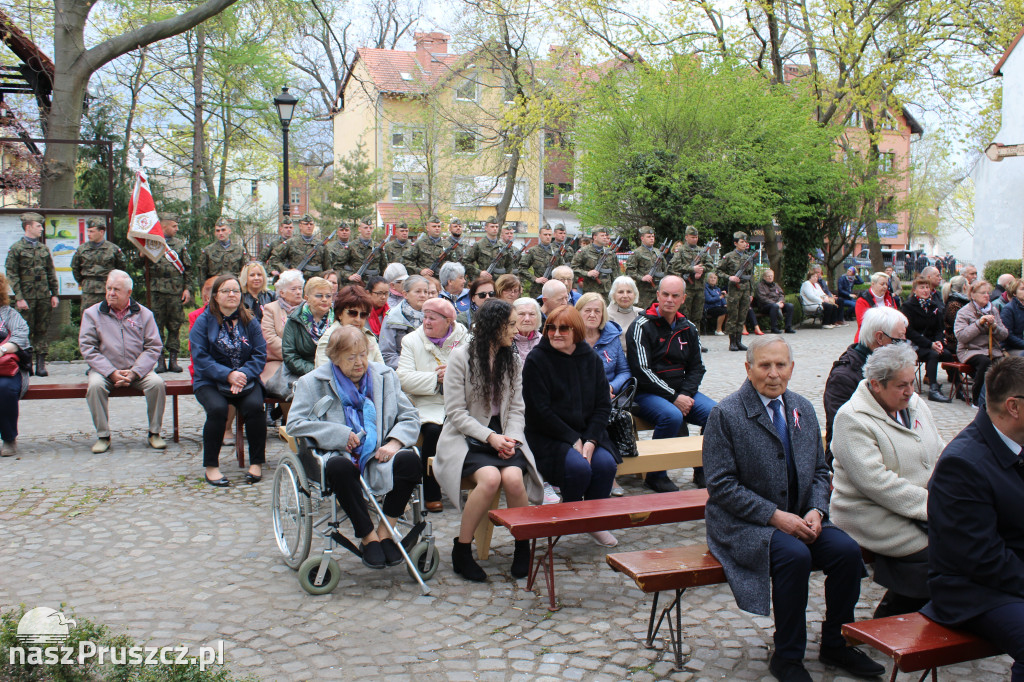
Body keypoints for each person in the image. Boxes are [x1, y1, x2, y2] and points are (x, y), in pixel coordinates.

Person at [703, 336, 885, 682]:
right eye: (765, 365)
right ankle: (787, 656)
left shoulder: (801, 406)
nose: (774, 374)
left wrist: (817, 509)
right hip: (745, 524)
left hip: (801, 516)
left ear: (791, 368)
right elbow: (721, 486)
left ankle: (836, 642)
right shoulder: (725, 414)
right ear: (748, 368)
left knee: (847, 552)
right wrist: (774, 516)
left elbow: (820, 469)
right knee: (794, 556)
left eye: (781, 365)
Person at [922, 356, 1024, 681]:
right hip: (974, 591)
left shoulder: (1016, 441)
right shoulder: (963, 465)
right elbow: (981, 559)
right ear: (1014, 407)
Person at [287, 326, 422, 568]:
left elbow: (410, 416)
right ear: (334, 358)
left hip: (379, 452)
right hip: (339, 455)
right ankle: (368, 537)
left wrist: (394, 442)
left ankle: (385, 531)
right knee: (339, 467)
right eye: (351, 357)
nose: (360, 363)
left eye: (363, 354)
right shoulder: (312, 382)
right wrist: (339, 434)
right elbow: (295, 424)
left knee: (410, 461)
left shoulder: (385, 376)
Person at [434, 299, 544, 581]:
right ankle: (462, 549)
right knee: (491, 479)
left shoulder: (513, 358)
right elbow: (456, 414)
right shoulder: (461, 357)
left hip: (505, 432)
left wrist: (512, 439)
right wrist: (491, 438)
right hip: (466, 435)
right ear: (494, 327)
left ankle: (523, 546)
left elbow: (518, 409)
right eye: (510, 324)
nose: (515, 329)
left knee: (514, 479)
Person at [831, 343, 943, 617]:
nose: (910, 391)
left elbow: (939, 450)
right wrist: (935, 507)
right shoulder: (852, 418)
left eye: (912, 382)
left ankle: (920, 612)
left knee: (977, 538)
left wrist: (952, 493)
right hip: (869, 512)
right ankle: (894, 618)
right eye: (901, 385)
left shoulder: (913, 404)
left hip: (919, 507)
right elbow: (877, 483)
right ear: (876, 385)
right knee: (940, 552)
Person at [523, 305, 618, 546]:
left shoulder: (591, 358)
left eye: (563, 328)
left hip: (588, 431)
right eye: (551, 328)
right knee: (579, 469)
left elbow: (602, 406)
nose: (556, 333)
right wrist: (572, 439)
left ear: (576, 331)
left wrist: (591, 440)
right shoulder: (537, 359)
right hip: (549, 435)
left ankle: (595, 521)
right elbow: (538, 410)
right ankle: (569, 515)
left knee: (605, 465)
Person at [627, 276, 715, 491]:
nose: (669, 299)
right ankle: (656, 473)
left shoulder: (689, 328)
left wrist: (684, 394)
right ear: (658, 295)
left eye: (675, 295)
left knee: (716, 413)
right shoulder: (640, 326)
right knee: (671, 415)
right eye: (665, 294)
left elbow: (697, 367)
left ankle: (703, 468)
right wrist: (674, 398)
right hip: (647, 393)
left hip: (681, 391)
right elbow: (642, 371)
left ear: (683, 299)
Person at [189, 274, 267, 487]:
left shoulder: (250, 321)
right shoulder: (203, 322)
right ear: (215, 296)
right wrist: (227, 374)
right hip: (210, 381)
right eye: (226, 291)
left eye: (235, 291)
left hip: (246, 378)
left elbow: (260, 354)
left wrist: (242, 374)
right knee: (217, 409)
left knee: (254, 407)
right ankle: (212, 466)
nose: (232, 295)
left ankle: (257, 462)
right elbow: (200, 357)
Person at [79, 271, 166, 454]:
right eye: (109, 288)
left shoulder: (144, 314)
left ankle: (154, 433)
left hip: (137, 370)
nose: (111, 293)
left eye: (116, 290)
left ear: (129, 292)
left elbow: (153, 347)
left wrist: (135, 372)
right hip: (104, 371)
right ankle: (103, 436)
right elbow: (88, 348)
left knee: (157, 384)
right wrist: (110, 371)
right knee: (94, 386)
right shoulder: (92, 314)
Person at [397, 297, 469, 513]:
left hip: (460, 401)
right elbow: (402, 378)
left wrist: (456, 374)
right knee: (433, 431)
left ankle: (470, 483)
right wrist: (435, 378)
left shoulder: (464, 338)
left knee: (473, 428)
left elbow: (478, 371)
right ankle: (432, 491)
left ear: (448, 321)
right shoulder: (411, 340)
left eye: (433, 318)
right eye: (425, 317)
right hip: (427, 403)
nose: (426, 322)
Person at [823, 307, 908, 464]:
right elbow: (846, 437)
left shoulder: (891, 368)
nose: (905, 344)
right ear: (880, 338)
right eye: (900, 338)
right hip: (854, 461)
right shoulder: (844, 377)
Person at [4, 212, 59, 376]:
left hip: (43, 295)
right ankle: (25, 362)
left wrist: (54, 294)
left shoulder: (43, 249)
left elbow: (50, 272)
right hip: (26, 297)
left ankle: (41, 365)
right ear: (28, 227)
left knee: (42, 329)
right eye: (38, 226)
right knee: (23, 330)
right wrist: (19, 297)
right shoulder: (16, 249)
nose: (41, 229)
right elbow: (12, 275)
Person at [143, 213, 191, 373]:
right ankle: (160, 361)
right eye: (174, 226)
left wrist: (187, 289)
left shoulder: (179, 245)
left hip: (175, 293)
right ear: (164, 227)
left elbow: (187, 269)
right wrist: (141, 254)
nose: (177, 229)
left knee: (175, 326)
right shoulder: (152, 244)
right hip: (157, 292)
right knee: (157, 327)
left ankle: (173, 360)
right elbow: (138, 265)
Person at [901, 276, 955, 402]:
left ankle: (957, 387)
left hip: (932, 344)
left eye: (927, 287)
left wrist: (938, 342)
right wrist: (930, 344)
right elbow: (909, 331)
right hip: (915, 345)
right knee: (932, 355)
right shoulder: (908, 306)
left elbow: (939, 328)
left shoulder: (933, 305)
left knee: (947, 354)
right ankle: (933, 389)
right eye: (922, 287)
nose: (925, 290)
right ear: (914, 290)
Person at [260, 269, 303, 425]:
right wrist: (292, 355)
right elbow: (269, 339)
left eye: (300, 288)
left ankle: (293, 421)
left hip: (302, 359)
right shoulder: (271, 309)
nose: (298, 292)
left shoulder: (307, 309)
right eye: (294, 289)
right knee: (285, 383)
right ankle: (288, 420)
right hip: (277, 360)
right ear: (282, 292)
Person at [955, 279, 1008, 404]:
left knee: (1005, 364)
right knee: (984, 362)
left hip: (991, 349)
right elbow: (962, 336)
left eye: (988, 293)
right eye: (982, 293)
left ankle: (1000, 398)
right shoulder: (964, 312)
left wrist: (994, 326)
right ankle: (978, 398)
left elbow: (1004, 334)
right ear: (973, 295)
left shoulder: (993, 310)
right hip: (970, 350)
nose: (986, 296)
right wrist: (979, 323)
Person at [314, 285, 385, 368]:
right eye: (352, 313)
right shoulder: (329, 339)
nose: (358, 319)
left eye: (363, 315)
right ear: (340, 313)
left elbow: (383, 371)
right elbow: (325, 376)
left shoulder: (369, 338)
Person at [0, 272, 31, 457]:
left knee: (4, 389)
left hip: (7, 370)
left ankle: (9, 438)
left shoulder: (9, 314)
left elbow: (21, 337)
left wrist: (2, 350)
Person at [577, 292, 630, 396]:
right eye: (587, 310)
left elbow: (624, 372)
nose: (592, 315)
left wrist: (610, 387)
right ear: (578, 313)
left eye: (597, 311)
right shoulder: (569, 336)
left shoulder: (612, 335)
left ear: (602, 315)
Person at [282, 276, 335, 380]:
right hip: (304, 375)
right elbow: (290, 356)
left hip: (336, 373)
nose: (324, 299)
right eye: (319, 296)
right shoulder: (294, 321)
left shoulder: (339, 318)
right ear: (307, 298)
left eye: (328, 296)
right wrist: (316, 370)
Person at [72, 217, 127, 311]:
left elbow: (121, 269)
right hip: (89, 291)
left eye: (92, 231)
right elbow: (75, 268)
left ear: (101, 232)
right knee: (88, 318)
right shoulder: (82, 249)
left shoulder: (113, 249)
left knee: (109, 317)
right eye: (88, 231)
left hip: (108, 290)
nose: (88, 234)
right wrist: (84, 282)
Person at [379, 274, 429, 369]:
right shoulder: (392, 317)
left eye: (426, 292)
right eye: (418, 291)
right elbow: (387, 355)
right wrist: (413, 366)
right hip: (403, 370)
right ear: (405, 294)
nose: (423, 295)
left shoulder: (433, 315)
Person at [718, 231, 756, 351]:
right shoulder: (728, 256)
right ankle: (732, 342)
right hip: (734, 290)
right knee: (733, 316)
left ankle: (739, 341)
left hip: (746, 289)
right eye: (742, 242)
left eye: (745, 242)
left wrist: (751, 293)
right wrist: (729, 277)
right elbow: (718, 270)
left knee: (742, 315)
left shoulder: (748, 257)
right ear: (735, 243)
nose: (744, 244)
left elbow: (751, 276)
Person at [669, 225, 713, 328]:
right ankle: (684, 340)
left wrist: (702, 270)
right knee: (684, 315)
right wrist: (692, 269)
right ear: (686, 237)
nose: (695, 239)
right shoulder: (680, 251)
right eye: (692, 237)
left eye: (696, 237)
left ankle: (695, 340)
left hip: (699, 288)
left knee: (697, 316)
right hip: (686, 288)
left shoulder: (701, 251)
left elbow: (710, 265)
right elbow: (674, 266)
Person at [278, 214, 328, 281]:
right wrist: (287, 271)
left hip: (316, 282)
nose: (309, 226)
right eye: (306, 224)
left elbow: (327, 266)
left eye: (311, 224)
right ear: (300, 226)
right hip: (297, 281)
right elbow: (275, 259)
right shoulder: (291, 243)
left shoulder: (321, 245)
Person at [197, 217, 247, 284]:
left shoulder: (239, 250)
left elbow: (245, 272)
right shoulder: (208, 250)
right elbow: (202, 274)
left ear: (229, 231)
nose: (220, 233)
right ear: (215, 233)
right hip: (215, 288)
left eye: (223, 230)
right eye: (218, 231)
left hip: (234, 287)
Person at [626, 226, 665, 310]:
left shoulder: (658, 252)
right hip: (644, 291)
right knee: (644, 313)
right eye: (649, 237)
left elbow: (665, 268)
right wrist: (642, 278)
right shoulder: (637, 253)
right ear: (642, 238)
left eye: (652, 236)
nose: (651, 238)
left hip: (657, 289)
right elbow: (630, 271)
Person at [571, 226, 616, 296]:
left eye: (605, 235)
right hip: (590, 291)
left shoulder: (609, 253)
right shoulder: (583, 251)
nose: (605, 237)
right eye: (602, 235)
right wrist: (587, 273)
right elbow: (573, 268)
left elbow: (615, 272)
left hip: (607, 291)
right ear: (595, 237)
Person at [853, 272, 896, 342]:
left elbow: (895, 317)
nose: (885, 287)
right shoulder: (862, 300)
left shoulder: (890, 298)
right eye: (882, 284)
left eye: (886, 284)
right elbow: (863, 324)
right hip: (868, 339)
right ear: (873, 284)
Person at [342, 217, 386, 285]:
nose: (368, 230)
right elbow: (339, 266)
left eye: (370, 228)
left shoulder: (378, 247)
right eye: (365, 228)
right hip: (356, 284)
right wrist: (349, 276)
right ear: (359, 229)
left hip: (374, 284)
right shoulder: (351, 246)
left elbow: (384, 267)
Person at [517, 223, 556, 298]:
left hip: (553, 289)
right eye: (545, 234)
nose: (548, 237)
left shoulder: (556, 252)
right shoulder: (533, 251)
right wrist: (535, 279)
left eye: (549, 235)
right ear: (540, 235)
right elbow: (522, 268)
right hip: (537, 291)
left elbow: (562, 269)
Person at [755, 269, 795, 334]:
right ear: (764, 277)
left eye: (771, 276)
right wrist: (775, 303)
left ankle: (788, 327)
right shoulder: (760, 286)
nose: (770, 277)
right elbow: (762, 298)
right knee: (774, 306)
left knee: (790, 306)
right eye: (768, 276)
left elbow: (781, 294)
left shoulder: (775, 285)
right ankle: (774, 328)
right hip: (765, 306)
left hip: (777, 304)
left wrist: (781, 301)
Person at [607, 276, 643, 348]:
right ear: (613, 295)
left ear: (635, 294)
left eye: (629, 292)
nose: (625, 296)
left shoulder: (641, 313)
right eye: (621, 292)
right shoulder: (605, 314)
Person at [942, 275, 968, 351]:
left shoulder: (963, 302)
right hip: (956, 342)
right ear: (964, 287)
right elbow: (958, 325)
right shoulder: (954, 304)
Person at [1001, 278, 1024, 356]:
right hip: (1012, 348)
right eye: (1022, 289)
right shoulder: (1008, 309)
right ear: (1014, 293)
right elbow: (1008, 335)